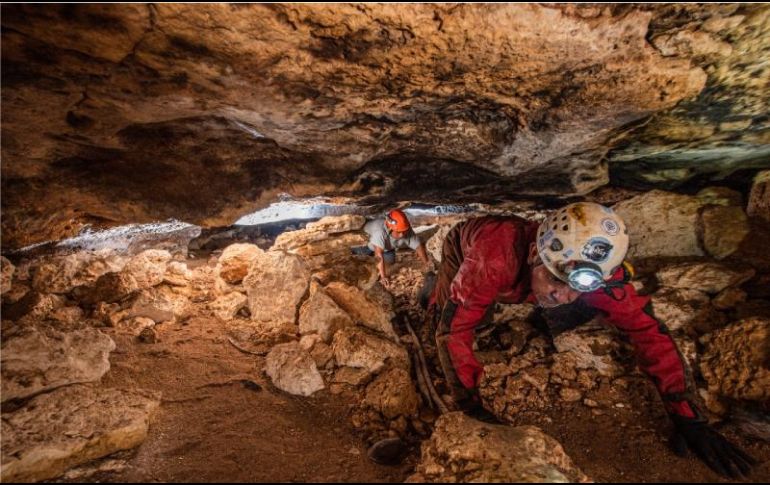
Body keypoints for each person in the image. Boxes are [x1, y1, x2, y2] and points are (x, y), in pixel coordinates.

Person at [425, 202, 756, 478]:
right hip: (464, 244)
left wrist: (688, 415)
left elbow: (648, 331)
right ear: (533, 255)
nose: (564, 295)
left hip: (519, 277)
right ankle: (428, 295)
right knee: (458, 315)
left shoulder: (599, 277)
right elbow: (454, 331)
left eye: (577, 286)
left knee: (566, 311)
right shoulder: (492, 258)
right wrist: (470, 405)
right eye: (556, 278)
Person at [351, 209, 433, 288]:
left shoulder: (405, 229)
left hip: (386, 248)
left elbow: (418, 246)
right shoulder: (380, 231)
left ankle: (376, 265)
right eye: (398, 232)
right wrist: (383, 277)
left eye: (403, 231)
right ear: (389, 227)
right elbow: (378, 254)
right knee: (359, 266)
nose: (401, 235)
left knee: (389, 264)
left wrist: (426, 263)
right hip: (365, 245)